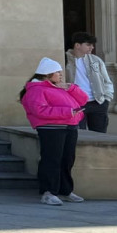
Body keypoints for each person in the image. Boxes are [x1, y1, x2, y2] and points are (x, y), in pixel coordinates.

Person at [21, 57, 88, 205]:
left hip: (69, 127)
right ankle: (48, 192)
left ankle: (65, 191)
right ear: (47, 74)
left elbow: (83, 100)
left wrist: (70, 87)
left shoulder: (59, 87)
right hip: (51, 128)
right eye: (58, 72)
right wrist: (69, 112)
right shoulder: (36, 89)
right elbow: (40, 110)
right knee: (52, 159)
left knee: (67, 160)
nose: (60, 74)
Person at [65, 32, 113, 133]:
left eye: (92, 45)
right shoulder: (65, 59)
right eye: (88, 44)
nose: (92, 47)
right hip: (76, 104)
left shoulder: (96, 60)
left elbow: (106, 80)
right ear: (77, 45)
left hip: (98, 102)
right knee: (79, 135)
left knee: (99, 136)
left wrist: (107, 98)